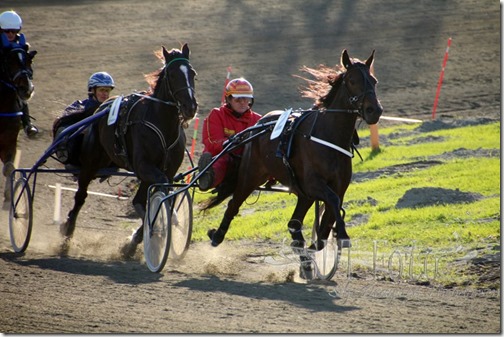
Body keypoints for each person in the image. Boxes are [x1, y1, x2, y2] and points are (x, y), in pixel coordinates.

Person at [198, 78, 262, 191]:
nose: (243, 103)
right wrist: (228, 142)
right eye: (238, 100)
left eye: (246, 99)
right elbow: (211, 142)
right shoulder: (216, 114)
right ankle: (209, 177)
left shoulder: (258, 119)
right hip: (224, 155)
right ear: (229, 100)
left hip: (247, 159)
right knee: (222, 161)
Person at [52, 71, 115, 164]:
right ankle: (63, 153)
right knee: (62, 128)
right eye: (101, 90)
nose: (105, 94)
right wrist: (80, 129)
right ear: (92, 90)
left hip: (108, 154)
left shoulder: (112, 107)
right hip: (78, 153)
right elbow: (61, 120)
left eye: (107, 90)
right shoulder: (80, 106)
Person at [0, 10, 38, 138]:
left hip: (12, 81)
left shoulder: (21, 46)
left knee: (22, 90)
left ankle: (27, 124)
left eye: (14, 31)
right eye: (7, 31)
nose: (11, 34)